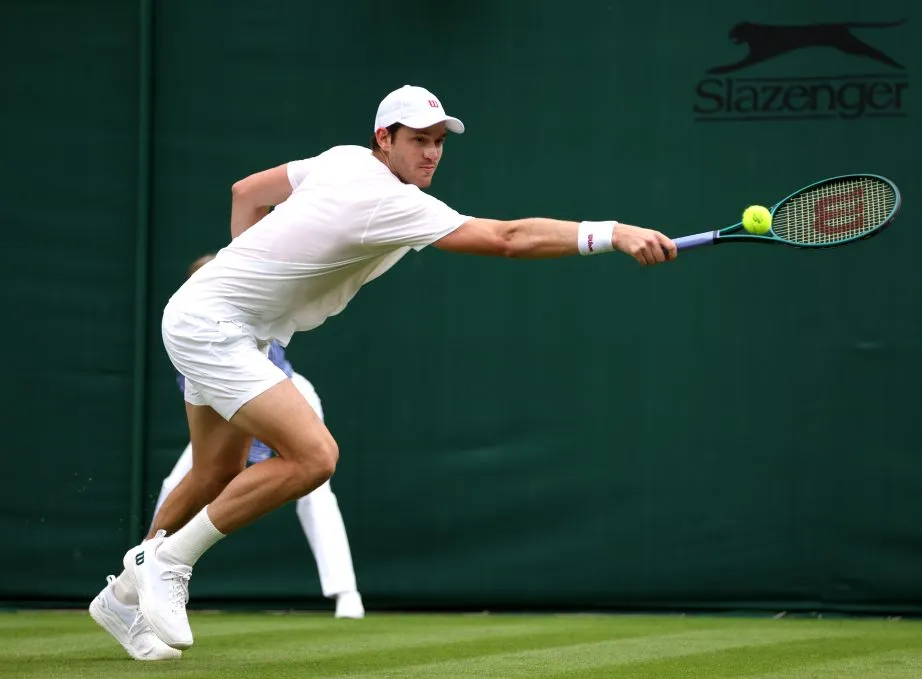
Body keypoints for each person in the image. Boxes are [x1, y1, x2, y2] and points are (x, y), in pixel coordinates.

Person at [92, 83, 678, 656]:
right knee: (315, 457)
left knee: (213, 472)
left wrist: (247, 277)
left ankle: (121, 597)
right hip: (213, 328)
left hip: (220, 318)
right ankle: (166, 561)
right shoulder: (388, 199)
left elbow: (246, 192)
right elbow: (506, 239)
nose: (430, 153)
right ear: (384, 138)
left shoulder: (340, 160)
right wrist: (613, 233)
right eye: (418, 140)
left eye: (438, 143)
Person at [152, 255, 365, 621]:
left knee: (316, 486)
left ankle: (347, 594)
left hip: (284, 398)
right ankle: (147, 573)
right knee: (180, 483)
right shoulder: (189, 329)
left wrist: (257, 451)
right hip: (226, 406)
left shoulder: (247, 308)